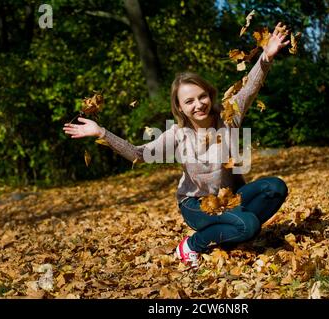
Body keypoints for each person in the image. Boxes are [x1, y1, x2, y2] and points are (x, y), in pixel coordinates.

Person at [63, 22, 290, 269]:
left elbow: (249, 88)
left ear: (210, 95)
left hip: (228, 199)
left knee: (275, 187)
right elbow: (140, 154)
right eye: (189, 101)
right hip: (196, 205)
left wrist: (266, 57)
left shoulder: (228, 115)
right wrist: (103, 133)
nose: (198, 104)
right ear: (180, 107)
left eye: (202, 96)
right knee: (249, 225)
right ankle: (193, 245)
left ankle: (232, 234)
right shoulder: (177, 134)